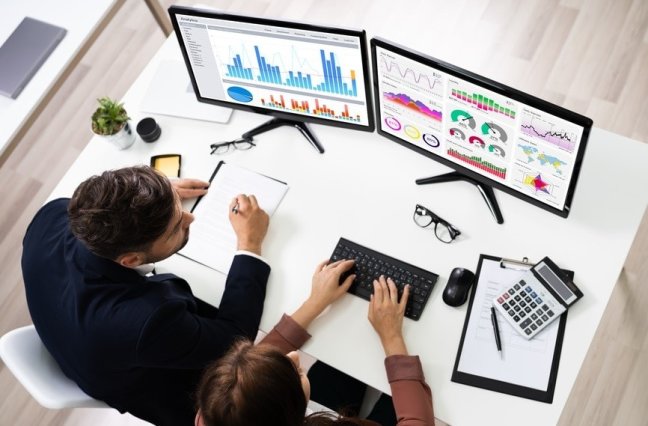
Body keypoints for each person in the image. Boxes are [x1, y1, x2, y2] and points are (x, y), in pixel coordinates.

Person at [21, 166, 271, 426]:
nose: (189, 218)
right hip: (173, 392)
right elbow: (233, 340)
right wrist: (249, 243)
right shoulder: (149, 321)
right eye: (175, 227)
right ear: (130, 259)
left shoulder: (49, 216)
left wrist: (153, 199)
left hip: (71, 331)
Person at [194, 259, 435, 426]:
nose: (294, 356)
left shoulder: (215, 413)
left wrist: (314, 302)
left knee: (344, 353)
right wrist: (392, 337)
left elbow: (254, 371)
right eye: (296, 372)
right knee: (404, 395)